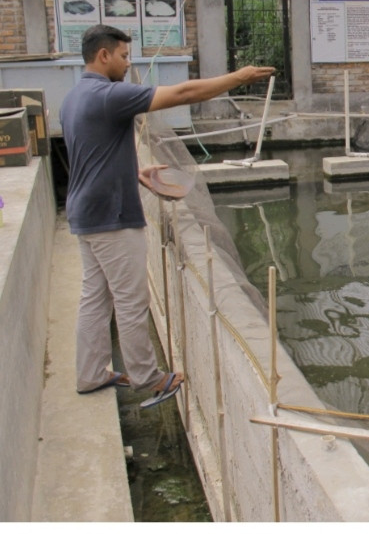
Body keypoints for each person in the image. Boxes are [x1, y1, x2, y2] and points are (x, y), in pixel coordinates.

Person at [60, 24, 275, 408]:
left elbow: (92, 156)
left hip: (84, 212)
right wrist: (239, 77)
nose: (128, 64)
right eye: (124, 57)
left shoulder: (74, 97)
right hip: (112, 217)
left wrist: (133, 173)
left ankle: (91, 373)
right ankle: (150, 378)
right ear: (104, 55)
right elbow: (184, 93)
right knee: (130, 299)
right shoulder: (108, 95)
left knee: (94, 296)